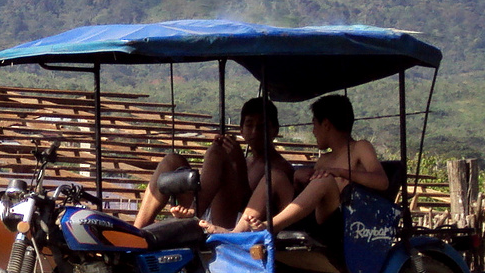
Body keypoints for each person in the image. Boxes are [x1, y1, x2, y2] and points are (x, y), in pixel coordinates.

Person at [233, 93, 388, 237]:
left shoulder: (359, 147)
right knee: (275, 176)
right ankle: (238, 232)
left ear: (326, 124)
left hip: (342, 221)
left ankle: (271, 226)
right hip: (312, 217)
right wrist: (298, 181)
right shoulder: (324, 160)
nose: (314, 132)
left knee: (325, 180)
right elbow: (309, 198)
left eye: (315, 125)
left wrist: (339, 172)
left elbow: (382, 181)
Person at [134, 98, 295, 230]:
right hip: (208, 210)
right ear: (241, 130)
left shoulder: (280, 168)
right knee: (172, 160)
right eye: (249, 125)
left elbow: (249, 206)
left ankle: (194, 211)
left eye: (262, 127)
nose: (254, 132)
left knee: (216, 152)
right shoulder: (248, 159)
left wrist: (237, 162)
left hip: (234, 225)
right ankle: (137, 231)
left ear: (275, 130)